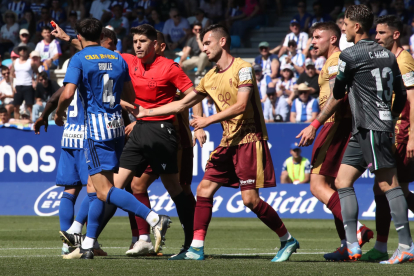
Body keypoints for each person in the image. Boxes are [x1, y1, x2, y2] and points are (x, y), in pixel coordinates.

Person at [128, 24, 300, 262]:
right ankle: (196, 248)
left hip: (249, 140)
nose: (203, 48)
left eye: (207, 43)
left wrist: (207, 120)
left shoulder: (243, 68)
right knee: (203, 189)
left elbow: (241, 105)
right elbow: (181, 104)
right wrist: (147, 112)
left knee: (249, 200)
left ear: (222, 42)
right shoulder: (210, 76)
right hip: (228, 142)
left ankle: (287, 239)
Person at [298, 5, 412, 263]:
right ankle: (352, 245)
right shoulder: (387, 54)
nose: (344, 29)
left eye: (345, 25)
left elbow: (338, 92)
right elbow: (402, 94)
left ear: (356, 27)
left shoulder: (351, 56)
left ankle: (406, 245)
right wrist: (391, 115)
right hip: (365, 127)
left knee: (388, 185)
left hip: (371, 127)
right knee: (342, 181)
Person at [54, 18, 171, 260]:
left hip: (96, 131)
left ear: (79, 36)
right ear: (101, 35)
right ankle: (87, 244)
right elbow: (130, 95)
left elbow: (67, 93)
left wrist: (58, 112)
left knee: (104, 190)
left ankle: (154, 218)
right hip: (117, 127)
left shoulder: (80, 58)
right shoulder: (117, 58)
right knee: (95, 190)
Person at [40, 26, 125, 257]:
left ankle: (68, 241)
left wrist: (46, 116)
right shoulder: (102, 65)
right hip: (88, 132)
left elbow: (59, 95)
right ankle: (84, 239)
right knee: (95, 189)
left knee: (69, 190)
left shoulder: (76, 62)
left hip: (68, 134)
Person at [123, 30, 206, 256]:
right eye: (135, 41)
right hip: (146, 133)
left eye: (144, 41)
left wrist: (197, 125)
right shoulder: (133, 63)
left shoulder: (170, 68)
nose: (138, 45)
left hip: (173, 137)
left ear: (159, 45)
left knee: (180, 188)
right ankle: (143, 239)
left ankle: (193, 242)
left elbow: (195, 94)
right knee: (135, 186)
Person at [297, 20, 373, 262]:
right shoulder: (334, 61)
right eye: (311, 37)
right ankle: (348, 244)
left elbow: (338, 96)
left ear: (332, 38)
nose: (312, 42)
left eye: (318, 37)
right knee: (335, 188)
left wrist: (314, 124)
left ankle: (357, 230)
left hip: (334, 126)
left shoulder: (334, 61)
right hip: (343, 126)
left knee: (317, 185)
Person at [361, 15, 414, 262]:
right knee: (387, 188)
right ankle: (382, 246)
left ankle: (392, 246)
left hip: (402, 132)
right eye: (376, 32)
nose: (377, 37)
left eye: (382, 33)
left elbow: (412, 100)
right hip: (392, 129)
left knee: (392, 188)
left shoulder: (404, 62)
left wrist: (412, 135)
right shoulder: (390, 60)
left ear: (395, 35)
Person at [10, 44, 39, 119]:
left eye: (24, 49)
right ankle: (17, 123)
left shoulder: (31, 62)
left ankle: (31, 122)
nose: (22, 51)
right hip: (18, 86)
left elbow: (37, 73)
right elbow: (11, 74)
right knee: (16, 106)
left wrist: (35, 82)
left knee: (29, 106)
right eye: (21, 49)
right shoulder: (15, 62)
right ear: (18, 51)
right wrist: (12, 86)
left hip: (28, 85)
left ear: (27, 51)